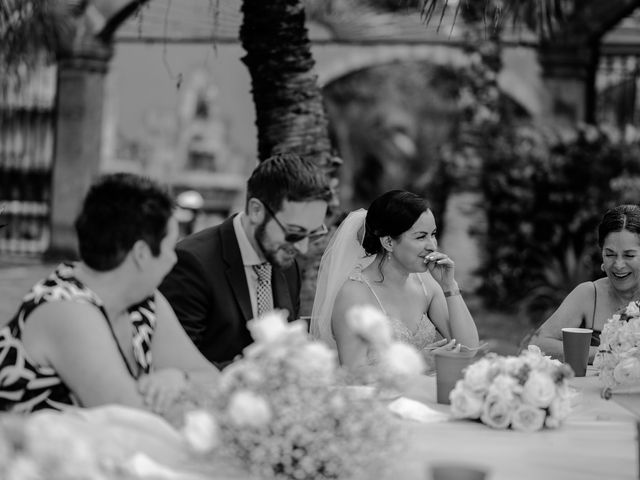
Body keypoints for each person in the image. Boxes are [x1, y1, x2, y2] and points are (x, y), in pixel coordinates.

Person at [0, 173, 218, 414]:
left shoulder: (145, 301)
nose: (174, 258)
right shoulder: (65, 309)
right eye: (170, 247)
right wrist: (191, 394)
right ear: (142, 253)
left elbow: (213, 380)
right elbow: (130, 416)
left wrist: (180, 379)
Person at [159, 153, 333, 368]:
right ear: (256, 210)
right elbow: (175, 365)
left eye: (313, 234)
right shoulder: (193, 262)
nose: (302, 247)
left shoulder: (288, 264)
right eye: (294, 233)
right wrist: (251, 371)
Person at [310, 189, 479, 369]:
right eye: (421, 236)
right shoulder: (353, 295)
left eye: (433, 234)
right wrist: (419, 362)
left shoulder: (427, 284)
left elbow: (468, 349)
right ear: (388, 242)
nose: (432, 246)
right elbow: (353, 373)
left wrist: (449, 286)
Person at [531, 204, 640, 363]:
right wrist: (606, 354)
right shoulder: (588, 294)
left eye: (629, 255)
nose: (618, 265)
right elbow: (537, 344)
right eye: (610, 254)